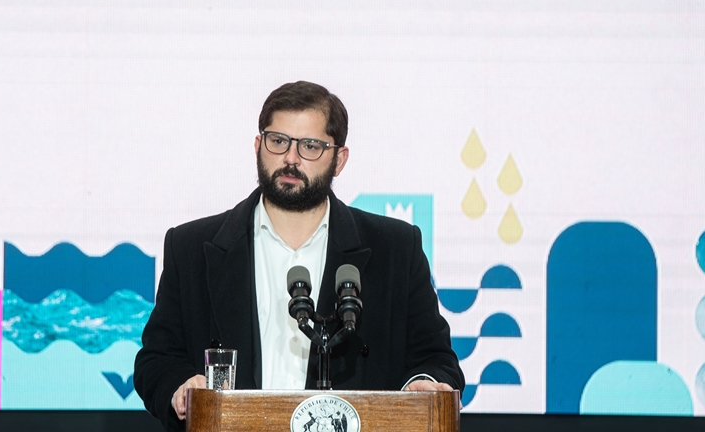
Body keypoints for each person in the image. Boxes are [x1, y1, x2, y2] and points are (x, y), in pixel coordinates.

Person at [134, 81, 463, 431]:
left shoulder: (395, 249)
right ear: (258, 146)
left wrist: (423, 384)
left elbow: (435, 358)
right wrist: (180, 387)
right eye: (278, 141)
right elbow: (157, 360)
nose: (291, 159)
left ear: (339, 160)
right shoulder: (191, 247)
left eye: (310, 146)